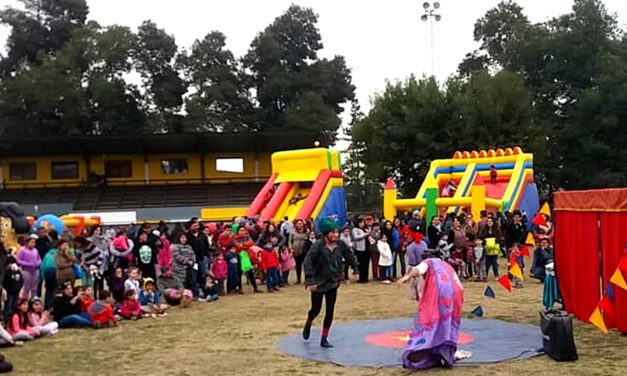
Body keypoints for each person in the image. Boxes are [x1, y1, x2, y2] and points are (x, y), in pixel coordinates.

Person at [397, 258, 464, 369]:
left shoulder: (429, 262)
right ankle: (445, 352)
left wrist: (407, 277)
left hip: (441, 295)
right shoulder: (446, 266)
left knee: (430, 320)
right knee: (447, 323)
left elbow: (419, 270)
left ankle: (425, 348)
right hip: (455, 295)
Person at [303, 217, 359, 348]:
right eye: (332, 233)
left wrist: (355, 267)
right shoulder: (318, 245)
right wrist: (311, 280)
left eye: (336, 232)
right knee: (316, 309)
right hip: (318, 282)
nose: (335, 235)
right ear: (325, 234)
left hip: (333, 282)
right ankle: (308, 322)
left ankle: (324, 338)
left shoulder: (340, 244)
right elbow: (308, 262)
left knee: (330, 310)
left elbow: (349, 255)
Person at [16, 234, 41, 299]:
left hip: (35, 270)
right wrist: (28, 264)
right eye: (32, 242)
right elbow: (18, 260)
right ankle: (24, 301)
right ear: (27, 243)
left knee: (34, 287)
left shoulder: (35, 250)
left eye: (34, 243)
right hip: (26, 271)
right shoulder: (22, 250)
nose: (33, 244)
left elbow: (39, 259)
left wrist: (38, 263)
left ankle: (34, 301)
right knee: (26, 287)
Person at [288, 220, 309, 285]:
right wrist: (291, 248)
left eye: (301, 223)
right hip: (296, 251)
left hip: (304, 250)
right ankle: (298, 279)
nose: (299, 225)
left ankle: (307, 279)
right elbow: (289, 241)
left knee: (306, 265)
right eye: (298, 223)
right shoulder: (292, 232)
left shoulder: (306, 231)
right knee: (298, 265)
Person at [2, 257, 22, 323]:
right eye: (10, 263)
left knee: (14, 307)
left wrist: (19, 288)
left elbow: (21, 280)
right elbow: (5, 281)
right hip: (9, 293)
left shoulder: (18, 271)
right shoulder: (6, 271)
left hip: (16, 292)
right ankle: (6, 322)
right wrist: (10, 271)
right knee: (8, 308)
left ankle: (13, 323)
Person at [351, 218, 370, 283]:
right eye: (360, 223)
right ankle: (361, 278)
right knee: (361, 264)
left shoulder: (365, 229)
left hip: (367, 249)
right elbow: (356, 237)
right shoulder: (355, 229)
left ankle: (365, 277)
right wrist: (365, 234)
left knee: (366, 264)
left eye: (363, 222)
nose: (362, 224)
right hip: (360, 249)